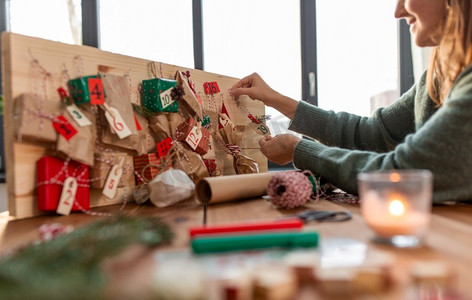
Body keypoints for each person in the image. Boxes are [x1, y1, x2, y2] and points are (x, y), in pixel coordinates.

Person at [230, 0, 472, 204]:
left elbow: (400, 173)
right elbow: (373, 135)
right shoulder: (439, 73)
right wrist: (276, 99)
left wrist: (298, 149)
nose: (398, 11)